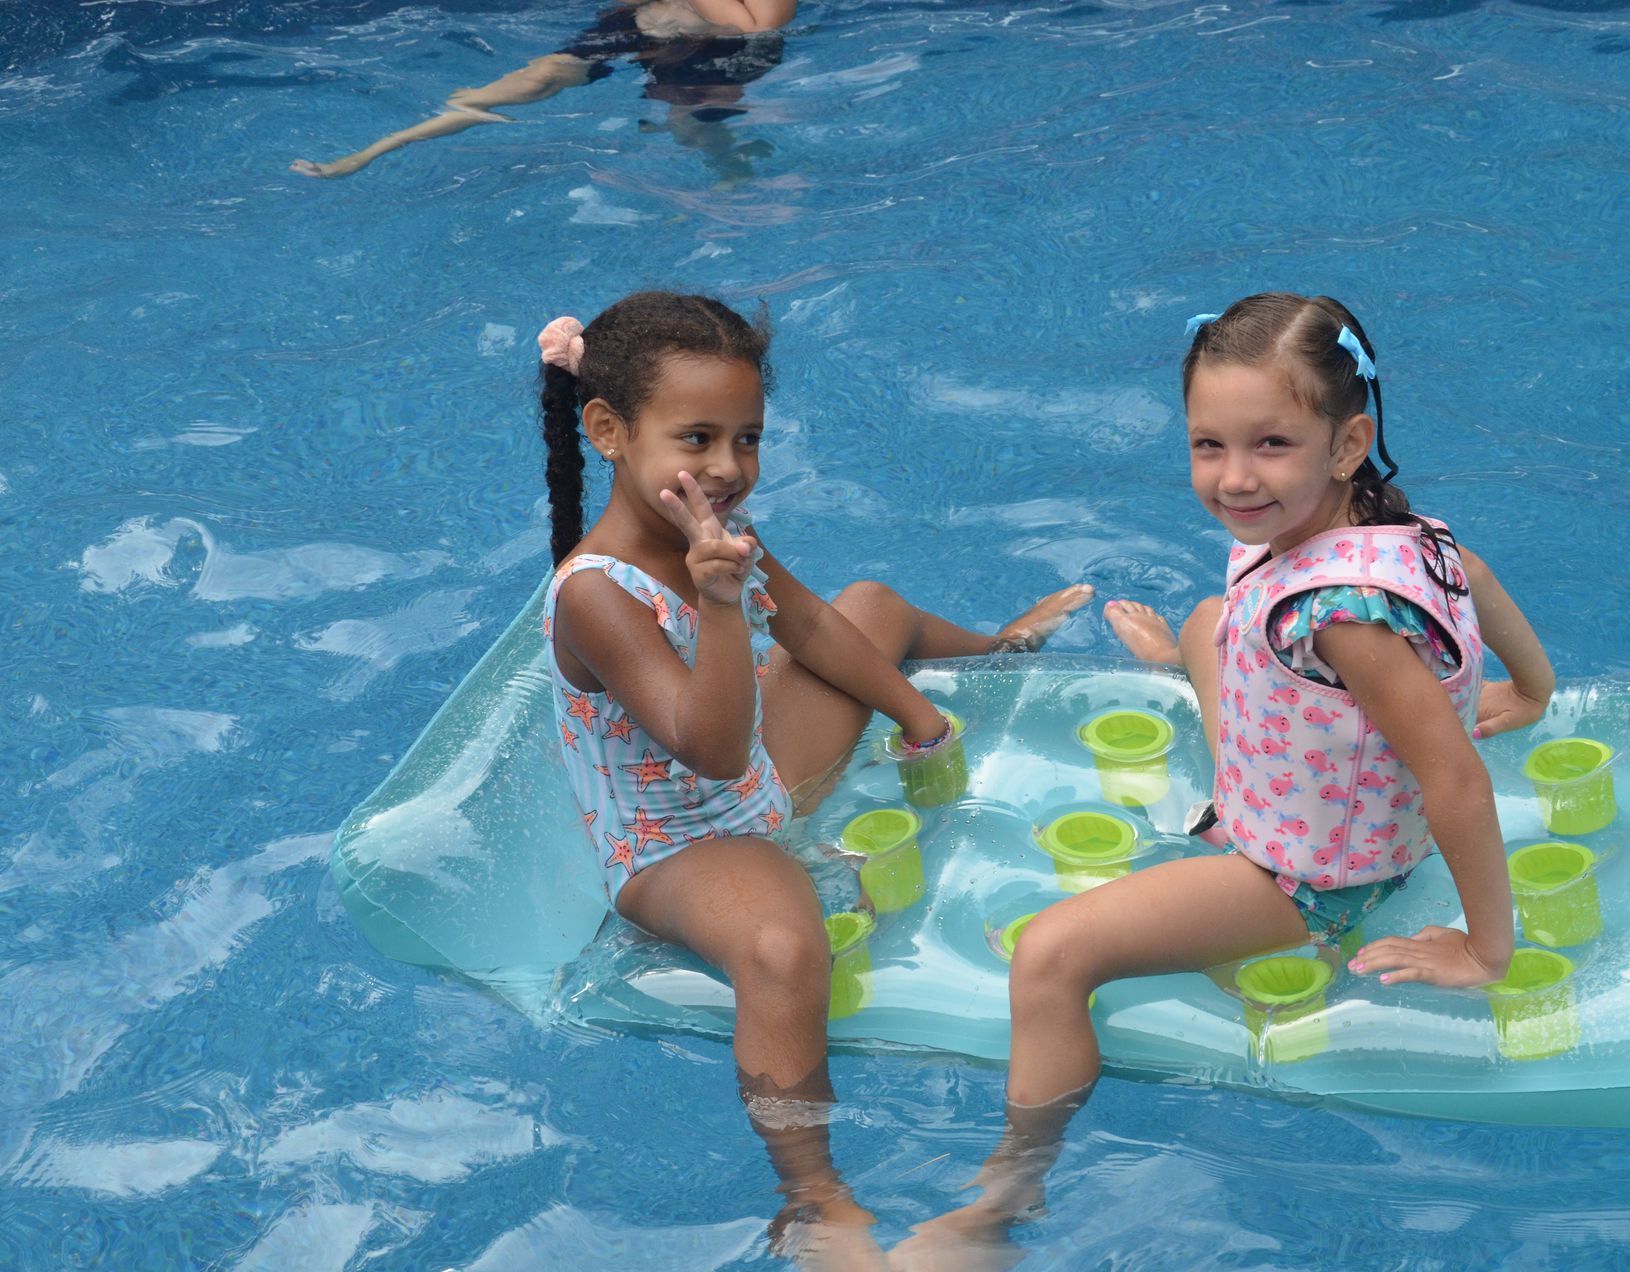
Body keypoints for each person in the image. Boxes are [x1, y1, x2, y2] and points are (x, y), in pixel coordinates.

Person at [895, 292, 1554, 1267]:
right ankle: (1190, 660)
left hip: (1306, 875)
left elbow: (1455, 780)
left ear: (1346, 442)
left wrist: (1486, 949)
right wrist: (1532, 689)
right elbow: (1479, 579)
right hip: (1307, 774)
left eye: (1272, 445)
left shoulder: (1339, 617)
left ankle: (1002, 1201)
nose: (1235, 478)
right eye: (1210, 445)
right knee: (1216, 616)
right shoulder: (1397, 531)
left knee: (1050, 957)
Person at [536, 290, 1089, 1268]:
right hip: (675, 844)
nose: (728, 468)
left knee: (871, 606)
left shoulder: (716, 530)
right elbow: (703, 746)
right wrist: (712, 603)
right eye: (697, 438)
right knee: (788, 947)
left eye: (746, 439)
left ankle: (997, 652)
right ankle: (813, 1194)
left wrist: (920, 716)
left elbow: (813, 627)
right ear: (609, 432)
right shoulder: (596, 595)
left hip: (758, 776)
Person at [291, 0, 793, 181]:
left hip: (716, 51)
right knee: (533, 81)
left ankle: (731, 171)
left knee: (691, 130)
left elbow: (759, 29)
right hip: (645, 26)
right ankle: (372, 152)